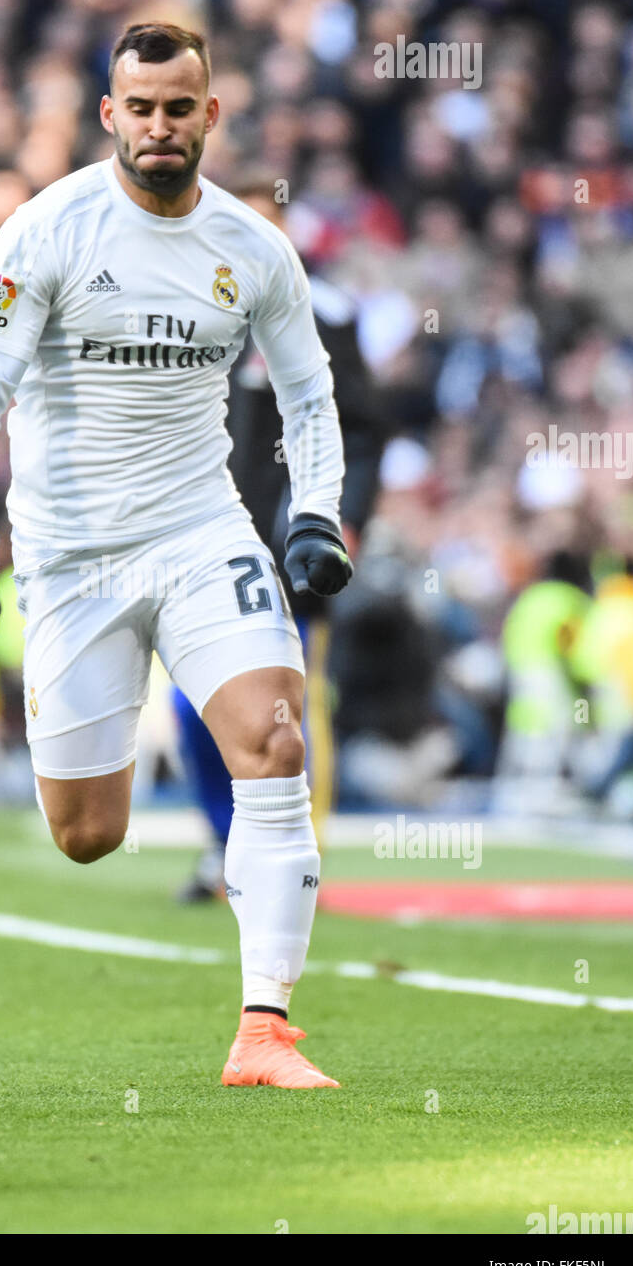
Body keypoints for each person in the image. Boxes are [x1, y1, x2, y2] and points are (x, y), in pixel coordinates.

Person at [0, 23, 353, 1089]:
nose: (159, 126)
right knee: (85, 832)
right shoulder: (44, 230)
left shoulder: (252, 247)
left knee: (273, 735)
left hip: (200, 529)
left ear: (209, 116)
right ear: (108, 114)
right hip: (71, 557)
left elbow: (307, 390)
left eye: (179, 107)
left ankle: (262, 1031)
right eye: (141, 107)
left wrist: (315, 514)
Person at [172, 176, 384, 900]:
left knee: (290, 699)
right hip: (203, 538)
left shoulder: (323, 313)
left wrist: (338, 513)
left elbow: (359, 424)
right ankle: (223, 843)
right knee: (190, 700)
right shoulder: (192, 306)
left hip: (290, 539)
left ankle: (298, 857)